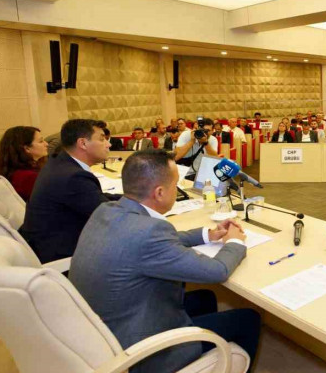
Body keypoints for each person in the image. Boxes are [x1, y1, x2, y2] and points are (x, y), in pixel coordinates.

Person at [69, 150, 259, 372]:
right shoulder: (149, 232)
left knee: (205, 297)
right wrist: (234, 243)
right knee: (248, 318)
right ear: (159, 192)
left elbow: (152, 242)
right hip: (138, 349)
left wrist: (207, 234)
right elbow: (216, 271)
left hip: (105, 328)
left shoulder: (108, 210)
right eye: (175, 184)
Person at [19, 119, 113, 263]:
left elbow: (97, 198)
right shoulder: (73, 177)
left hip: (46, 244)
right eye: (102, 139)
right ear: (83, 143)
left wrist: (133, 198)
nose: (109, 144)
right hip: (64, 256)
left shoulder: (59, 162)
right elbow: (111, 217)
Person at [0, 126, 48, 202]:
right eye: (41, 141)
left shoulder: (16, 171)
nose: (46, 144)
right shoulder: (28, 177)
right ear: (27, 148)